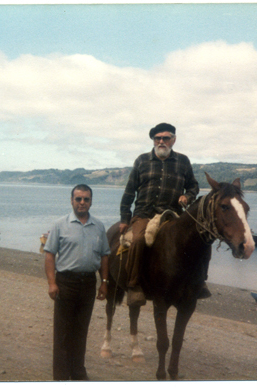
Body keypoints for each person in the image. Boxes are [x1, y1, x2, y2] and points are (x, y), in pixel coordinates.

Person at [120, 123, 204, 307]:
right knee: (139, 240)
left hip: (172, 213)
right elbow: (129, 192)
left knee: (197, 238)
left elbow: (193, 186)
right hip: (144, 213)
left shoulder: (183, 161)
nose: (161, 141)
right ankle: (134, 286)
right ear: (153, 140)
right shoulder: (142, 161)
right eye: (157, 138)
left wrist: (188, 196)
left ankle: (198, 281)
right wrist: (124, 219)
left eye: (166, 138)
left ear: (173, 140)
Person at [43, 184, 111, 381]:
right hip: (65, 283)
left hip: (88, 284)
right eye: (78, 199)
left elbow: (105, 256)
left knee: (81, 331)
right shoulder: (60, 224)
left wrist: (104, 282)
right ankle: (62, 378)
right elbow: (49, 255)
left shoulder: (99, 226)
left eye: (86, 199)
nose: (82, 203)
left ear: (91, 201)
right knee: (63, 333)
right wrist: (51, 283)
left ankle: (78, 373)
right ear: (71, 201)